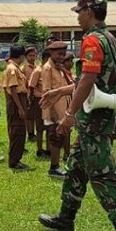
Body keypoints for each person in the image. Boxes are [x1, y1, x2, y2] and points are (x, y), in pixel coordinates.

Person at [38, 0, 116, 231]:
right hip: (97, 113)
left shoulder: (92, 40)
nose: (77, 16)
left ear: (90, 12)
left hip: (93, 117)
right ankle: (65, 218)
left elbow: (89, 80)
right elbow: (96, 79)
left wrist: (69, 113)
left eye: (79, 12)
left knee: (103, 174)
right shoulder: (110, 38)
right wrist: (59, 92)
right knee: (76, 169)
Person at [38, 41, 73, 178]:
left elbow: (70, 85)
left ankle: (57, 166)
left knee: (60, 137)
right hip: (53, 110)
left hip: (62, 110)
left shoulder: (59, 68)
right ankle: (54, 167)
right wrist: (51, 112)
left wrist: (63, 70)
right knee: (55, 138)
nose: (61, 57)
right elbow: (46, 90)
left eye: (63, 54)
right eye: (59, 54)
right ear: (51, 53)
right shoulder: (47, 68)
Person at [1, 45, 30, 171]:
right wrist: (20, 108)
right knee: (17, 131)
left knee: (20, 131)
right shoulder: (12, 69)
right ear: (21, 56)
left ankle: (17, 159)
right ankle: (14, 161)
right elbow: (13, 89)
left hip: (20, 99)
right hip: (16, 100)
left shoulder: (15, 68)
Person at [27, 49, 49, 158]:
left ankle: (49, 149)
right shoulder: (38, 71)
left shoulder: (50, 70)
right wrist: (30, 101)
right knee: (40, 127)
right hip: (39, 100)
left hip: (49, 101)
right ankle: (39, 150)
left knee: (49, 126)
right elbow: (31, 87)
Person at [22, 47, 40, 143]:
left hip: (37, 94)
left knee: (36, 114)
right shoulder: (24, 68)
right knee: (29, 115)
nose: (32, 58)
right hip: (28, 93)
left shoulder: (38, 67)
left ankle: (37, 132)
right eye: (30, 56)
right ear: (26, 57)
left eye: (34, 55)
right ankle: (30, 133)